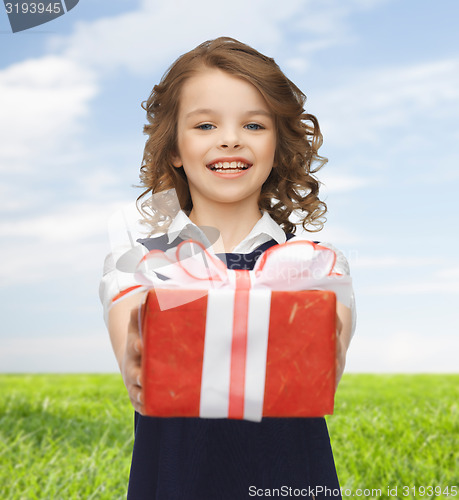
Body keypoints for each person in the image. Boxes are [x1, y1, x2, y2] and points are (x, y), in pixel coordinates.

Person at [100, 37, 355, 499]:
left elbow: (335, 327)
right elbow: (126, 312)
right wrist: (132, 353)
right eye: (205, 124)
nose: (230, 137)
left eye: (254, 124)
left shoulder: (313, 261)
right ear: (174, 148)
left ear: (278, 145)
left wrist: (331, 346)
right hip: (179, 478)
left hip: (290, 478)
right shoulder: (146, 258)